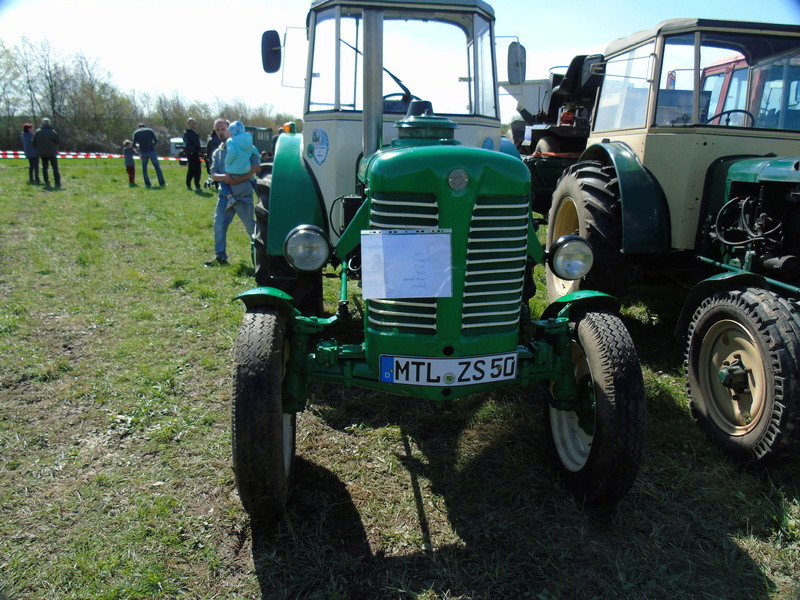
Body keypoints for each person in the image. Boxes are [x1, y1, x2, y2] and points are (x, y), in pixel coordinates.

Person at [206, 118, 259, 266]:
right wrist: (226, 178)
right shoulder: (217, 153)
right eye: (217, 130)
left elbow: (256, 166)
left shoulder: (245, 147)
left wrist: (240, 178)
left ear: (229, 129)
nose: (221, 132)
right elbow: (213, 175)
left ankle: (261, 259)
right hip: (224, 195)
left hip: (243, 194)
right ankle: (220, 257)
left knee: (252, 228)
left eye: (223, 129)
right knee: (219, 225)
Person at [220, 120, 259, 210]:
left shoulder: (231, 141)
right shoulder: (248, 140)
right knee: (253, 179)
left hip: (234, 170)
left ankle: (230, 198)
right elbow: (255, 151)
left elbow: (232, 153)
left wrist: (227, 161)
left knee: (223, 181)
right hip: (246, 169)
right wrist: (258, 161)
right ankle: (259, 194)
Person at [132, 123, 166, 188]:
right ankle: (162, 182)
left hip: (143, 152)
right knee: (157, 167)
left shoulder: (136, 133)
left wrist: (138, 148)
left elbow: (133, 144)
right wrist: (152, 146)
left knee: (144, 168)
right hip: (151, 151)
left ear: (138, 127)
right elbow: (156, 140)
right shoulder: (150, 131)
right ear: (145, 126)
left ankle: (147, 183)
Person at [32, 118, 60, 189]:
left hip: (42, 153)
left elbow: (33, 143)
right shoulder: (53, 132)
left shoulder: (38, 132)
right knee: (55, 168)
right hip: (52, 153)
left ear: (42, 124)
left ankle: (46, 181)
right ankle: (57, 182)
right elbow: (58, 141)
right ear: (49, 123)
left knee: (44, 168)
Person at [183, 117, 202, 191]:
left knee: (191, 170)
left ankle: (189, 185)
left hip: (195, 152)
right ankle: (197, 186)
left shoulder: (194, 133)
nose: (195, 124)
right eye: (193, 123)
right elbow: (192, 143)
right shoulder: (188, 133)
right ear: (189, 124)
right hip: (192, 153)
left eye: (195, 123)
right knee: (196, 170)